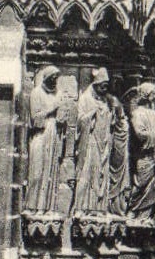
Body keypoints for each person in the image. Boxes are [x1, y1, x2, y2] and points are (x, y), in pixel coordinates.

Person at [24, 66, 66, 214]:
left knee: (50, 171)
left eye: (56, 79)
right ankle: (32, 206)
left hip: (53, 133)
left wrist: (62, 113)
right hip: (40, 134)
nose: (54, 82)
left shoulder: (58, 94)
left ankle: (48, 207)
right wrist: (53, 107)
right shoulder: (36, 93)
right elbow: (35, 119)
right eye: (52, 78)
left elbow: (61, 119)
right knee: (37, 170)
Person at [72, 69, 113, 214]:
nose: (105, 87)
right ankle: (81, 207)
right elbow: (80, 120)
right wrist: (91, 114)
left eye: (106, 85)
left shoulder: (105, 101)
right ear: (95, 84)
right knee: (87, 171)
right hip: (90, 141)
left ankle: (98, 207)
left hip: (103, 142)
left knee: (100, 174)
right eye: (102, 84)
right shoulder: (85, 98)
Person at [127, 82, 155, 218]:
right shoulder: (137, 113)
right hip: (144, 155)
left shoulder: (154, 114)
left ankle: (148, 216)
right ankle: (132, 210)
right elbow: (139, 133)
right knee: (140, 184)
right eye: (153, 93)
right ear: (146, 94)